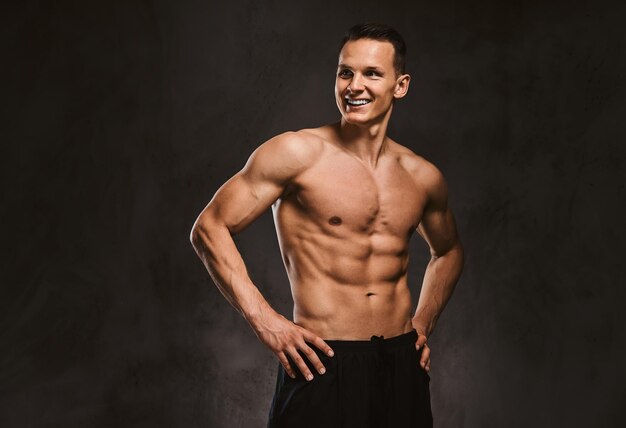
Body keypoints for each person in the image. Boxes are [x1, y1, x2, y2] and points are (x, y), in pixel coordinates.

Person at [190, 23, 464, 428]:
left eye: (372, 73)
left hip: (400, 366)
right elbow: (209, 227)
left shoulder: (421, 176)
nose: (355, 85)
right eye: (345, 72)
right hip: (323, 362)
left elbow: (448, 251)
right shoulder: (297, 153)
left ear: (400, 85)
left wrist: (422, 323)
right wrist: (267, 322)